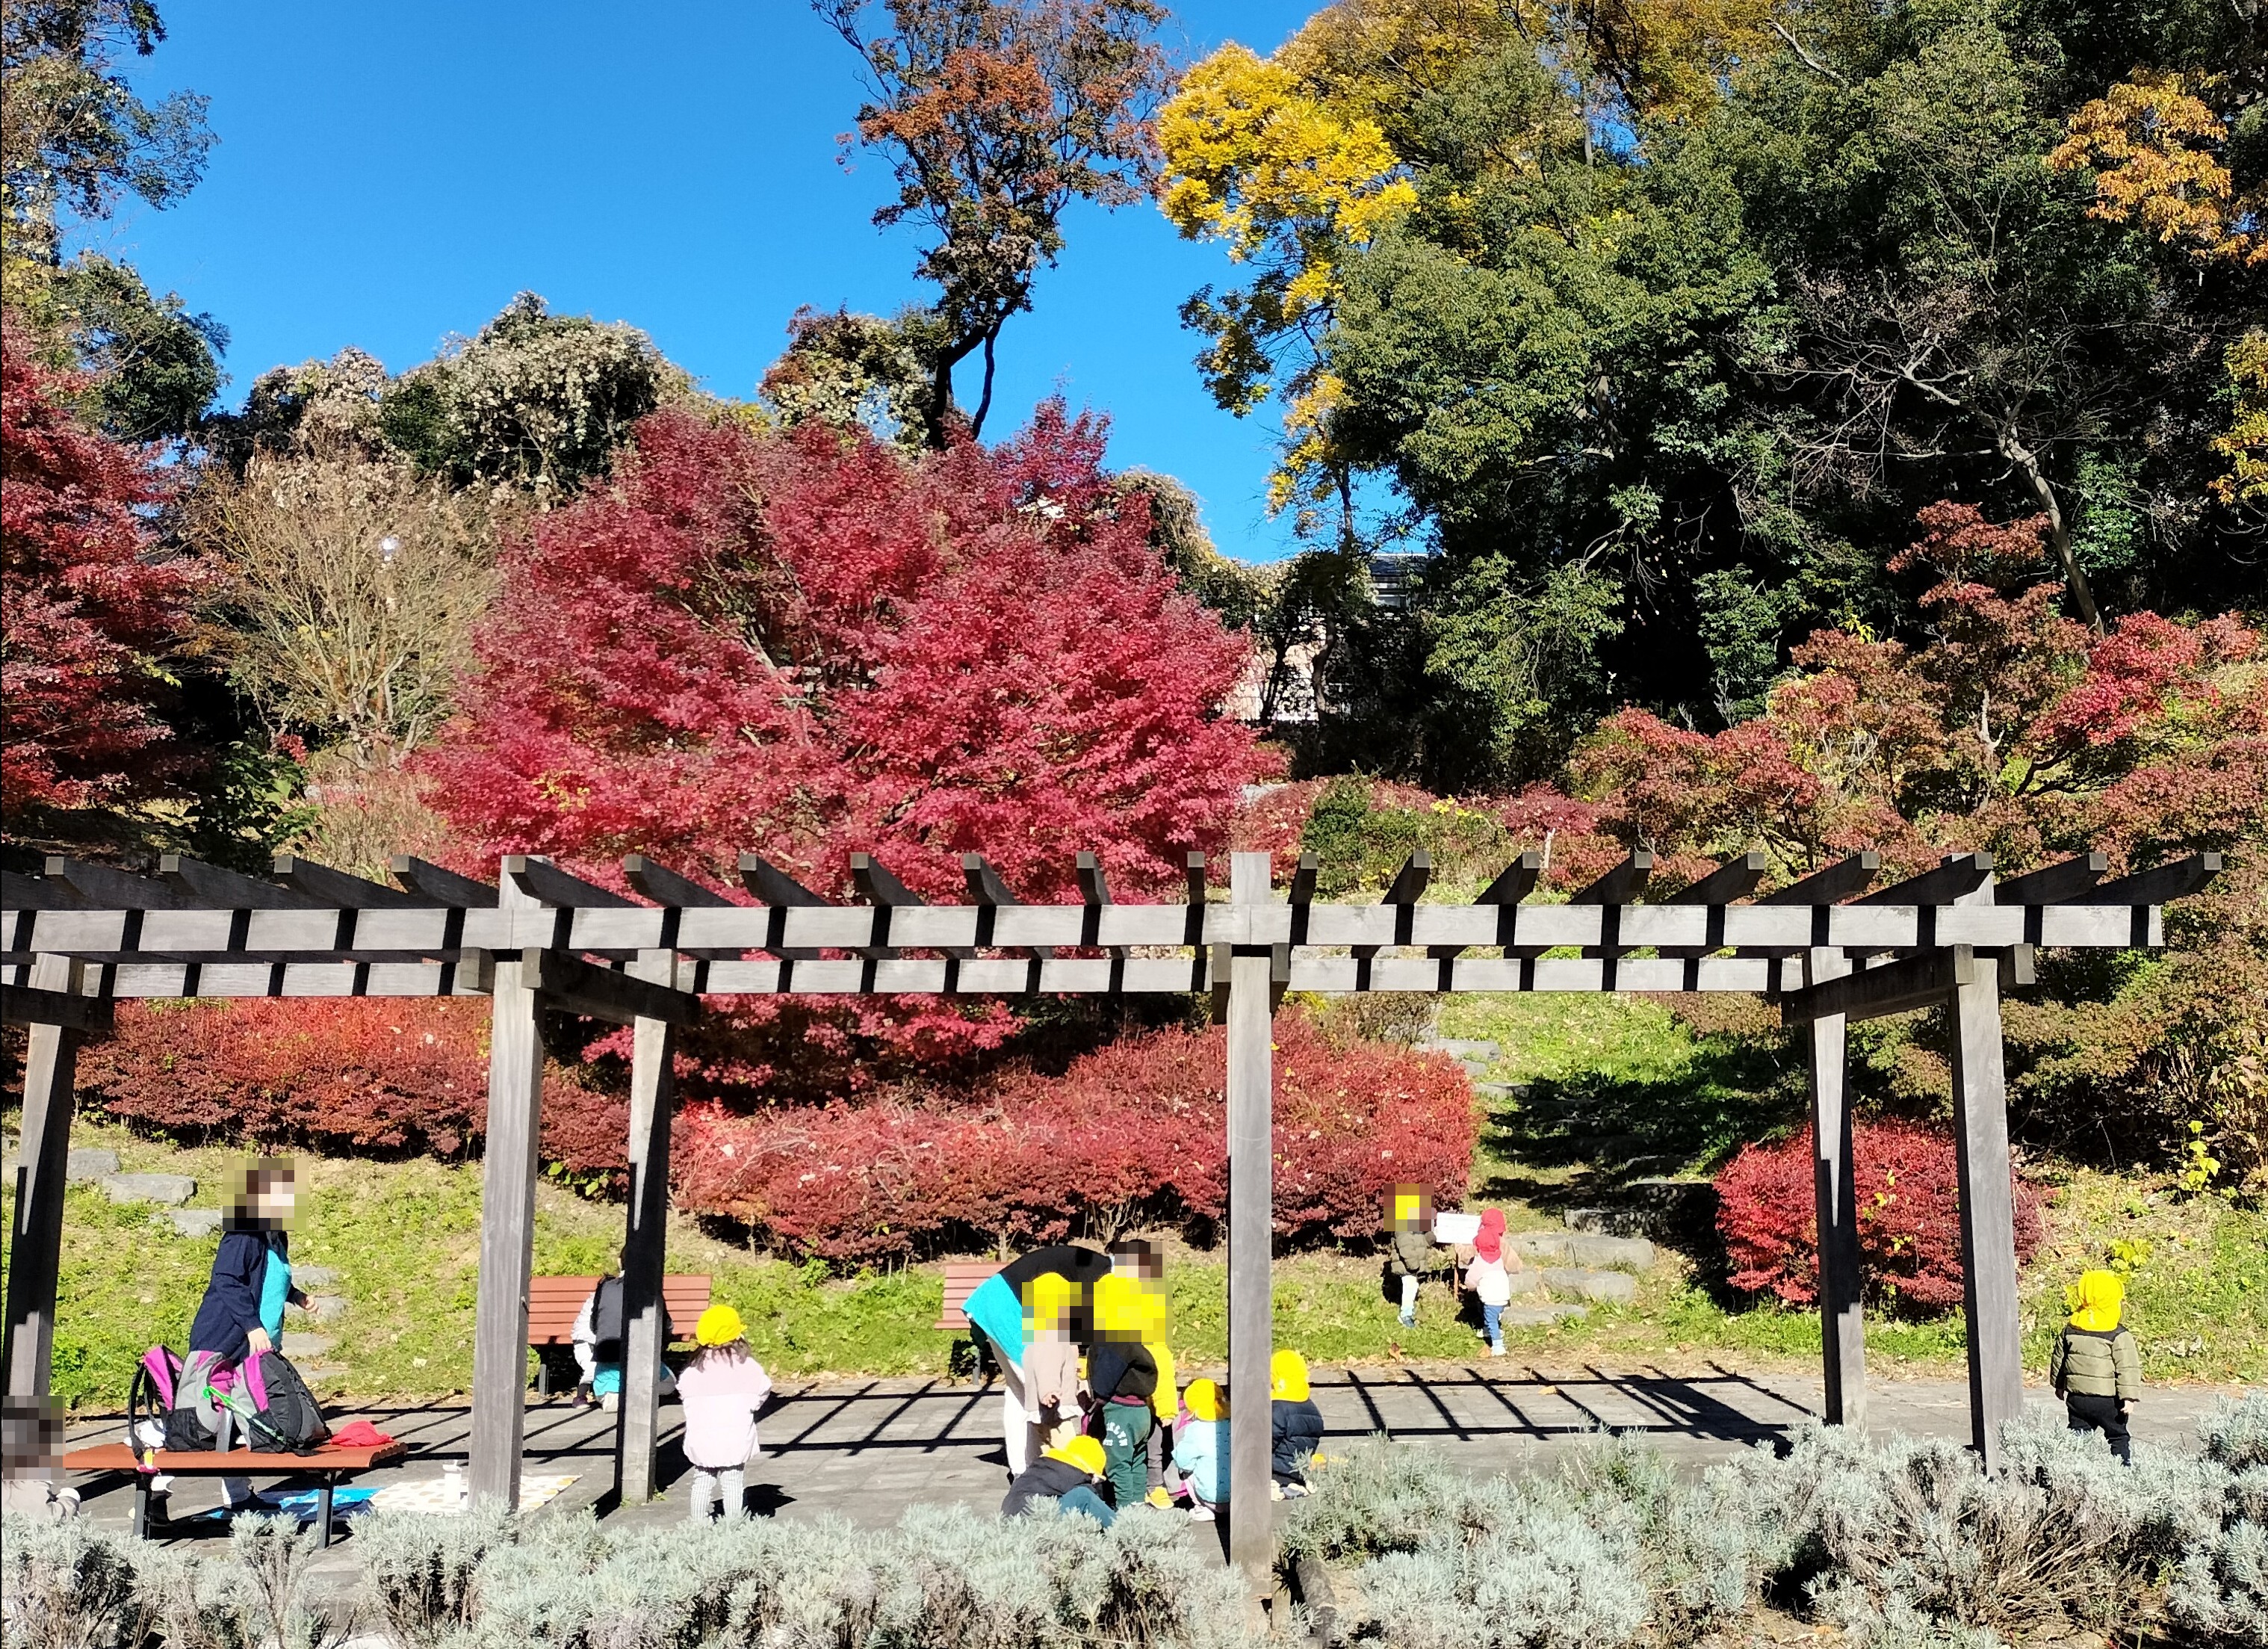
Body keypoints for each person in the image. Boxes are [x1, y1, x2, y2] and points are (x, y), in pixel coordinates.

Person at [185, 1159, 309, 1513]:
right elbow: (227, 1280)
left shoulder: (275, 1236)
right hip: (227, 1339)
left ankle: (238, 1497)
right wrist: (252, 1326)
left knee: (240, 1416)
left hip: (258, 1340)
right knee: (210, 1421)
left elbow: (264, 1278)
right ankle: (157, 1476)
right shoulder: (242, 1236)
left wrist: (295, 1295)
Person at [675, 1305, 772, 1523]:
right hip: (735, 1437)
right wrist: (752, 1405)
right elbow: (763, 1388)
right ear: (737, 1335)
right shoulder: (747, 1366)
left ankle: (698, 1524)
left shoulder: (694, 1370)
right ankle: (733, 1524)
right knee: (733, 1481)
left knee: (702, 1479)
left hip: (702, 1437)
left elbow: (683, 1390)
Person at [1109, 1237, 1180, 1507]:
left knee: (1154, 1429)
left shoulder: (1150, 1300)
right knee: (1126, 1436)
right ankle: (1138, 1486)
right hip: (1122, 1382)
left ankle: (1154, 1483)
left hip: (1146, 1381)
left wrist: (1167, 1406)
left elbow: (1161, 1356)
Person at [2051, 1269, 2141, 1464]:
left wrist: (2058, 1385)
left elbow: (2059, 1358)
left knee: (2078, 1436)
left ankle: (2076, 1472)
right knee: (2117, 1436)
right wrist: (2129, 1397)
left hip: (2077, 1399)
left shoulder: (2071, 1329)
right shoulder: (2117, 1333)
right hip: (2108, 1401)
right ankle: (2122, 1472)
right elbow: (2128, 1367)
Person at [1087, 1274, 1158, 1511]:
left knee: (1118, 1462)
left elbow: (1105, 1376)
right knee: (1137, 1459)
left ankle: (1126, 1509)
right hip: (1141, 1411)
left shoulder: (1112, 1334)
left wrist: (1098, 1398)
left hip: (1120, 1411)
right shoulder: (1133, 1332)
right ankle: (1137, 1503)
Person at [571, 1257, 675, 1412]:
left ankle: (610, 1394)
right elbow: (666, 1325)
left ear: (620, 1262)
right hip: (641, 1358)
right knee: (669, 1384)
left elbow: (594, 1326)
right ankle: (637, 1393)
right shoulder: (650, 1289)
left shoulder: (605, 1288)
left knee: (601, 1376)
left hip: (604, 1362)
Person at [963, 1265, 1037, 1479]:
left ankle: (1022, 1468)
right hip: (1010, 1309)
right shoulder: (1101, 1276)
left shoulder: (1091, 1267)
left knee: (1019, 1391)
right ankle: (1037, 1470)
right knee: (1040, 1387)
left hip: (989, 1304)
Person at [1022, 1272, 1083, 1459]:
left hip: (1044, 1409)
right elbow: (1047, 1366)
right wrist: (1050, 1391)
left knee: (1046, 1454)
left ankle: (1045, 1483)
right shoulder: (1051, 1335)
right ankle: (1066, 1485)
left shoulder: (1041, 1333)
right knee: (1066, 1457)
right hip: (1055, 1411)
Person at [1002, 1435, 1115, 1526]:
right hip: (1032, 1522)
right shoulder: (1078, 1476)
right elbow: (1096, 1505)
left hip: (1008, 1515)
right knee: (1084, 1496)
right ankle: (1124, 1531)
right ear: (1091, 1471)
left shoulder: (1042, 1464)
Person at [1463, 1208, 1520, 1358]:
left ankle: (1497, 1345)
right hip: (1503, 1295)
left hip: (1489, 1296)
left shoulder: (1481, 1260)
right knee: (1493, 1315)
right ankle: (1491, 1327)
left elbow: (1471, 1279)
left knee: (1490, 1316)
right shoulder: (1500, 1256)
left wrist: (1468, 1286)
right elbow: (1515, 1266)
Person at [1270, 1349, 1324, 1497]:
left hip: (1278, 1469)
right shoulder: (1311, 1407)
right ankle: (1297, 1483)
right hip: (1300, 1467)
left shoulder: (1278, 1408)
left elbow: (1266, 1443)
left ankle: (1279, 1486)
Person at [1173, 1378, 1227, 1522]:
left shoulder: (1195, 1429)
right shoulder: (1234, 1424)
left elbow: (1183, 1462)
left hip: (1211, 1498)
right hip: (1240, 1496)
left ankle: (1202, 1508)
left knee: (1188, 1469)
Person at [1386, 1187, 1437, 1328]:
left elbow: (1424, 1242)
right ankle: (1405, 1314)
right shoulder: (1402, 1227)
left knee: (1412, 1287)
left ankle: (1408, 1312)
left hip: (1412, 1265)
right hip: (1407, 1265)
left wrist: (1432, 1235)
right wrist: (1413, 1265)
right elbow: (1405, 1248)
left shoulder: (1416, 1227)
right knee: (1409, 1287)